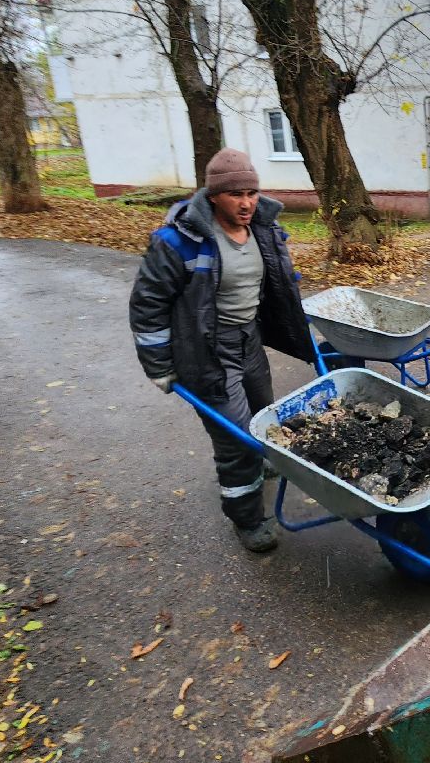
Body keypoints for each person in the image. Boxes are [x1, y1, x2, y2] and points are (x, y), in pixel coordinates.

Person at [129, 148, 315, 553]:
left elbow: (277, 285)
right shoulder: (179, 241)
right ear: (213, 196)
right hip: (207, 351)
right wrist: (158, 365)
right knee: (235, 438)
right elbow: (148, 305)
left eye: (252, 192)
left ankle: (261, 461)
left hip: (248, 340)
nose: (247, 202)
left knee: (264, 413)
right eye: (235, 194)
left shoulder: (264, 229)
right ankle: (247, 519)